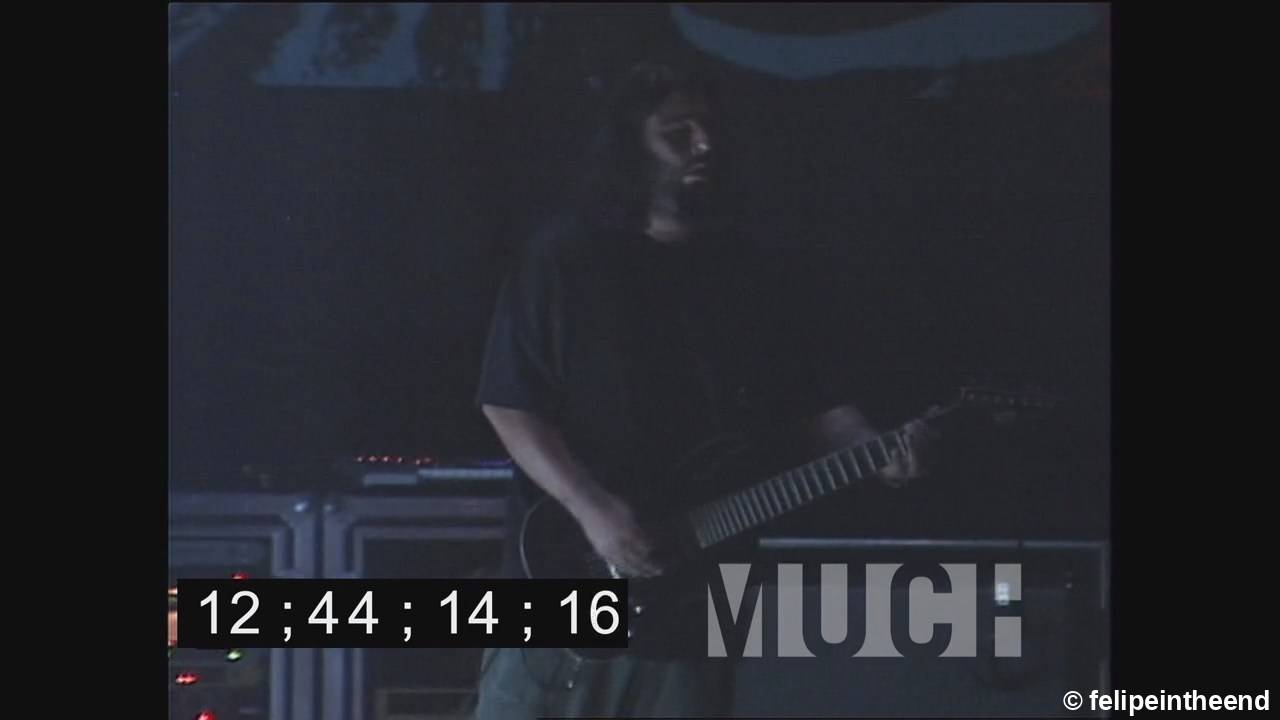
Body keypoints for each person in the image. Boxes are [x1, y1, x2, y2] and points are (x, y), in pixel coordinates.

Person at [472, 59, 932, 719]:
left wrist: (875, 447)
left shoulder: (750, 272)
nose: (705, 145)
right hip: (565, 589)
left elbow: (813, 406)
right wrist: (593, 509)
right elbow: (510, 402)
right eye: (678, 131)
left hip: (696, 608)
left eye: (710, 128)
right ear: (632, 144)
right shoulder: (565, 257)